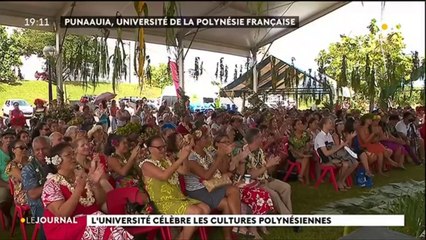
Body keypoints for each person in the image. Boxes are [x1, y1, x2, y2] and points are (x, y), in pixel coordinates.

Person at [41, 142, 133, 240]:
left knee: (99, 219)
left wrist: (96, 184)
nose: (73, 157)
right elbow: (62, 214)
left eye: (73, 153)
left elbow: (99, 202)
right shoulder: (51, 184)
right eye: (68, 155)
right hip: (64, 229)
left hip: (89, 222)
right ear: (57, 162)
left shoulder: (81, 175)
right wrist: (78, 189)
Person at [140, 136, 210, 240]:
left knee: (206, 209)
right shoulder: (146, 164)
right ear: (150, 149)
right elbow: (164, 176)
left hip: (178, 199)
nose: (163, 150)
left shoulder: (167, 160)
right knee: (196, 212)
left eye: (164, 146)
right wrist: (180, 158)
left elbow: (184, 171)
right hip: (162, 203)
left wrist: (185, 155)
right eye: (160, 148)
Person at [185, 127, 241, 240]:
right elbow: (206, 176)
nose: (209, 138)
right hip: (198, 191)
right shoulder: (190, 158)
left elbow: (223, 170)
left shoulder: (208, 152)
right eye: (206, 137)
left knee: (228, 200)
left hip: (211, 187)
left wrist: (225, 154)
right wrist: (219, 156)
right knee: (232, 192)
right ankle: (238, 225)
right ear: (197, 141)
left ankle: (231, 233)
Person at [215, 134, 274, 240]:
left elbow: (238, 173)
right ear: (217, 144)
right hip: (226, 187)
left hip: (236, 184)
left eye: (229, 142)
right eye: (225, 142)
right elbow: (224, 172)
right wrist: (232, 159)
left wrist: (240, 161)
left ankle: (257, 225)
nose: (228, 144)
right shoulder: (216, 157)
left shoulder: (229, 155)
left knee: (262, 193)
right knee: (257, 196)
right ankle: (252, 229)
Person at [238, 128, 296, 231]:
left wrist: (271, 164)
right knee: (274, 194)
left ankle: (288, 215)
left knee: (286, 187)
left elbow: (265, 168)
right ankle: (290, 220)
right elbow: (252, 175)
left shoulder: (259, 150)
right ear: (256, 139)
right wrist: (268, 165)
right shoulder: (245, 153)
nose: (263, 138)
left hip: (266, 178)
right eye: (261, 136)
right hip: (254, 183)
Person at [314, 117, 358, 191]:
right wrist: (344, 143)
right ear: (324, 125)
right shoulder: (320, 137)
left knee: (355, 163)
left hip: (333, 157)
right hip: (326, 160)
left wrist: (347, 141)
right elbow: (326, 153)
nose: (332, 125)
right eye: (330, 123)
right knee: (346, 164)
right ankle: (339, 182)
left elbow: (334, 149)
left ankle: (342, 180)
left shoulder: (329, 135)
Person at [21, 136, 52, 240]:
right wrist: (53, 183)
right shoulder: (28, 169)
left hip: (58, 199)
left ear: (50, 147)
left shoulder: (56, 162)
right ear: (33, 151)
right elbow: (33, 194)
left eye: (44, 148)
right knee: (50, 218)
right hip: (39, 204)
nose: (41, 152)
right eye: (37, 150)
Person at [288, 119, 312, 184]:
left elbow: (308, 145)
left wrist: (305, 153)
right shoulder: (291, 136)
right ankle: (306, 179)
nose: (301, 125)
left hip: (304, 153)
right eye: (298, 124)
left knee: (306, 158)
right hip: (294, 155)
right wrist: (300, 154)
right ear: (295, 127)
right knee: (306, 159)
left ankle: (301, 176)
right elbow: (291, 149)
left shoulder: (305, 134)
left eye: (301, 123)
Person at [6, 140, 29, 205]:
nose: (24, 149)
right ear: (13, 150)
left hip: (34, 189)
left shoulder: (30, 160)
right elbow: (24, 179)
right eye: (21, 148)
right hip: (22, 194)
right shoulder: (11, 165)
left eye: (26, 148)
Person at [0, 129, 15, 226]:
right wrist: (8, 186)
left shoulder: (17, 150)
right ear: (1, 139)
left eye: (11, 137)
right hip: (4, 184)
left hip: (20, 183)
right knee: (3, 199)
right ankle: (7, 214)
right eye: (6, 138)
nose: (9, 140)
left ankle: (23, 214)